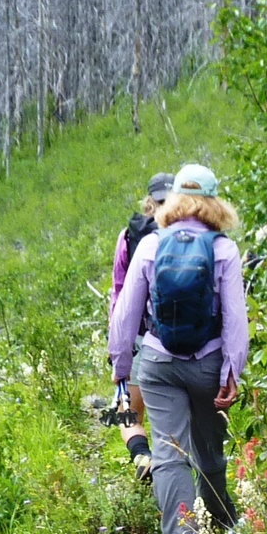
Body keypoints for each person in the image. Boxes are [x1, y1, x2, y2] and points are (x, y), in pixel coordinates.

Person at [108, 162, 248, 534]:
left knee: (169, 451)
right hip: (208, 363)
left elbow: (125, 314)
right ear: (213, 202)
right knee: (209, 449)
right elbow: (236, 319)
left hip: (157, 363)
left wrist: (121, 367)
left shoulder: (152, 244)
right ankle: (222, 523)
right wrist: (231, 372)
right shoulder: (224, 249)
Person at [108, 172, 174, 482]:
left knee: (124, 408)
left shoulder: (129, 236)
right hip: (179, 342)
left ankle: (141, 455)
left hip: (137, 338)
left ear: (148, 202)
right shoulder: (195, 234)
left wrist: (116, 353)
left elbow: (119, 295)